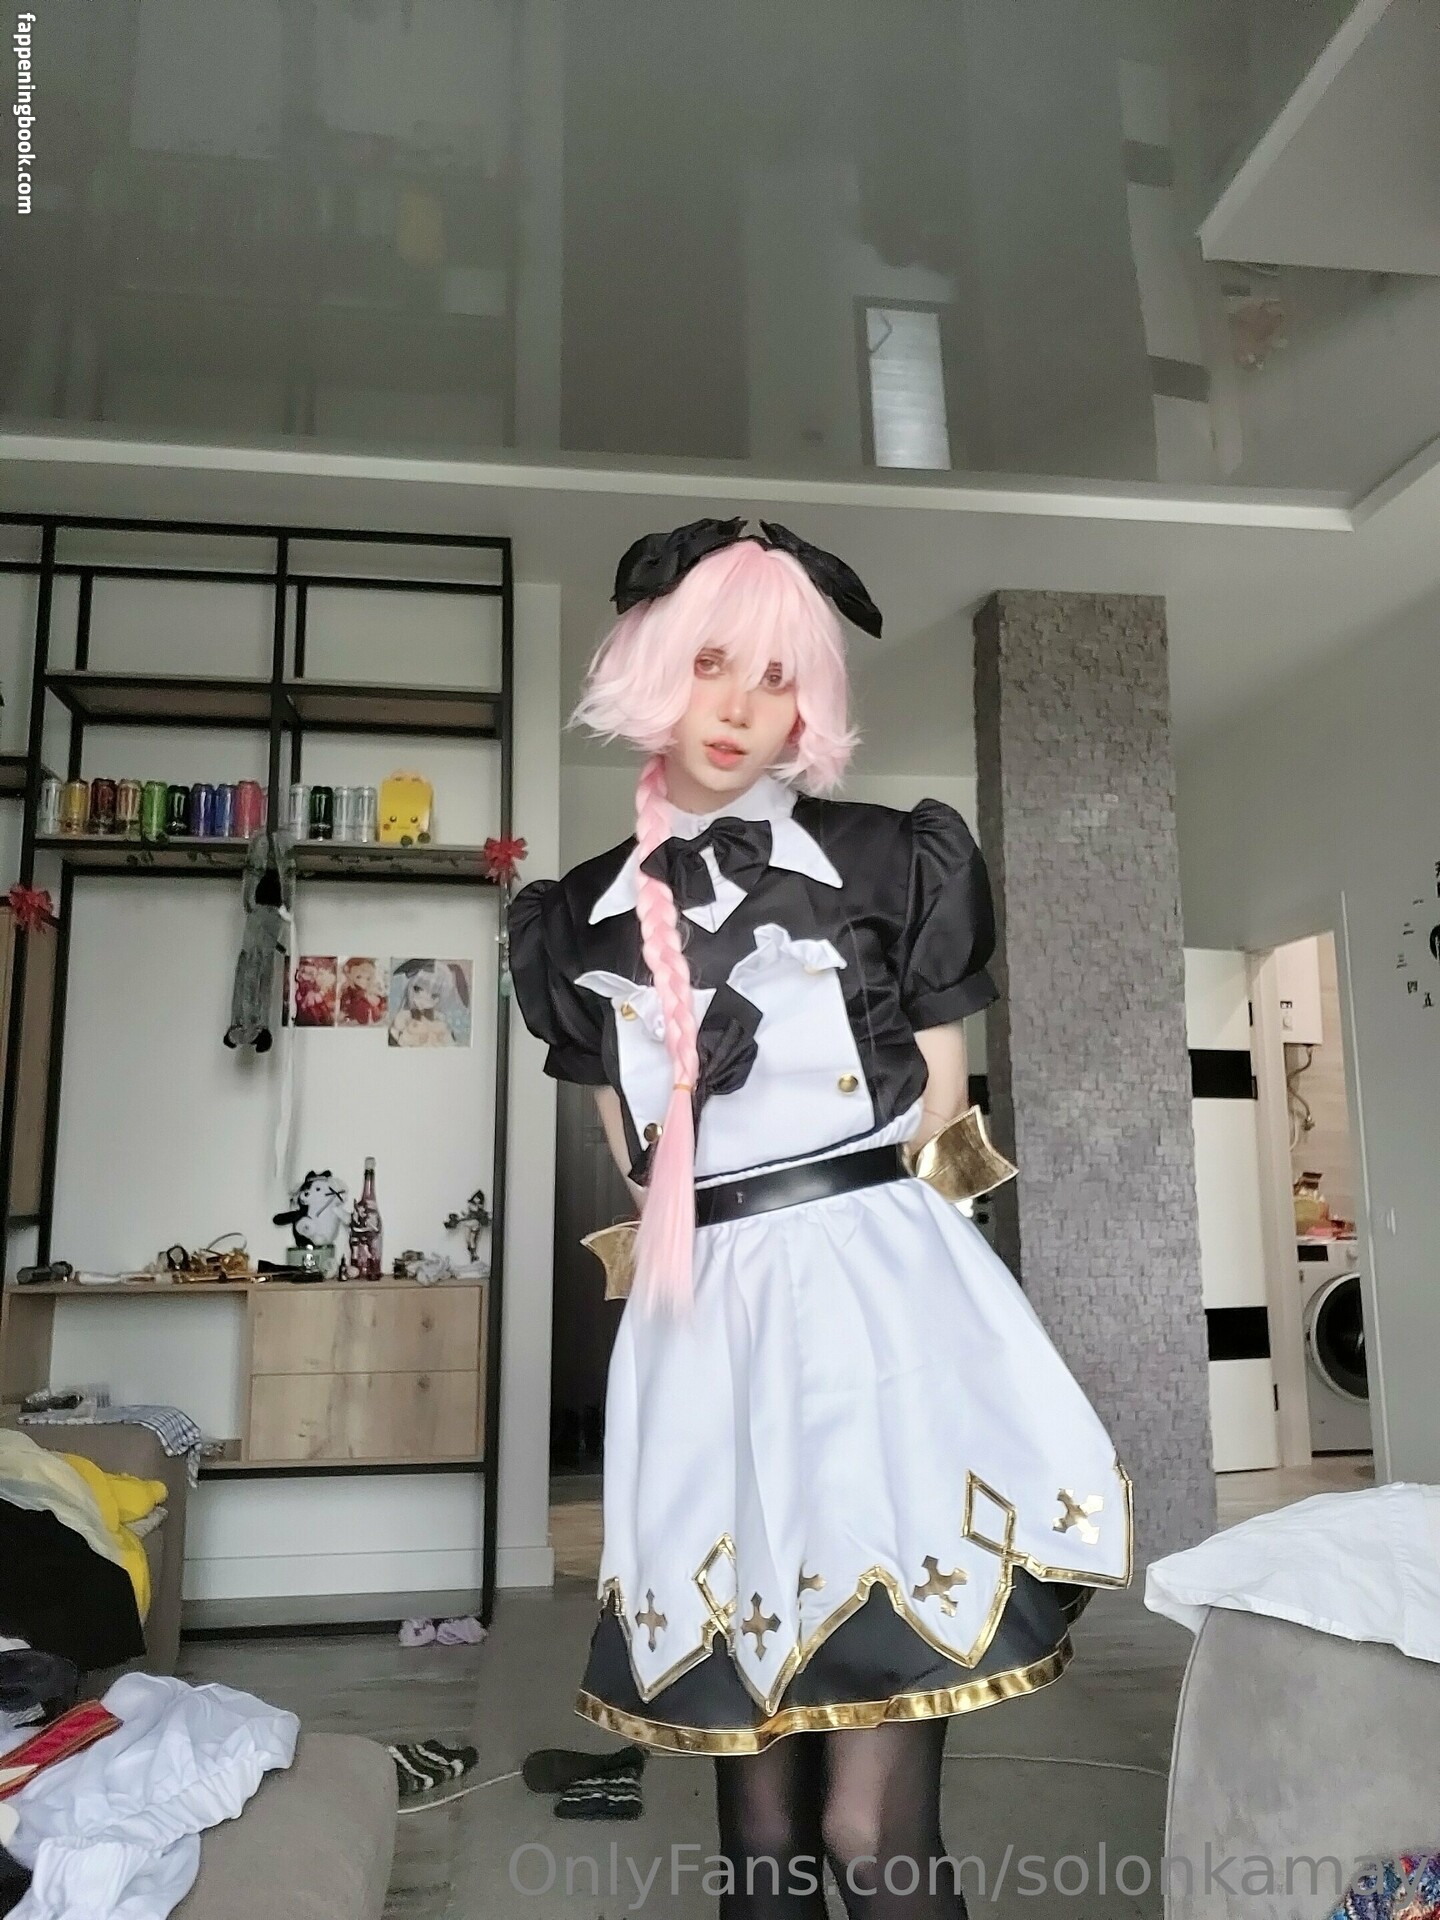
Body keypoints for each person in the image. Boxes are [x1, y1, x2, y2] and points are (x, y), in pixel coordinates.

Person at [508, 518, 1133, 1920]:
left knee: (869, 1831)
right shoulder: (576, 925)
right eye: (709, 663)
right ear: (649, 666)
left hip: (873, 1321)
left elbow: (942, 1131)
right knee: (763, 1843)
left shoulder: (893, 859)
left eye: (779, 676)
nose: (740, 705)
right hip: (707, 1336)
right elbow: (645, 1174)